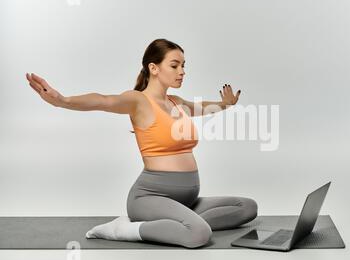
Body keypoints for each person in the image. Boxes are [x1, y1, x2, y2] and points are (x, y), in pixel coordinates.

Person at [25, 38, 258, 248]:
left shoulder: (175, 102)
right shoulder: (139, 101)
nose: (182, 71)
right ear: (154, 68)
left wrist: (225, 104)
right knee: (198, 234)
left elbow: (203, 107)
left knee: (246, 208)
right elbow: (104, 101)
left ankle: (178, 222)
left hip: (187, 200)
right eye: (175, 65)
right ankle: (124, 229)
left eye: (184, 65)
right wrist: (63, 101)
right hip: (149, 198)